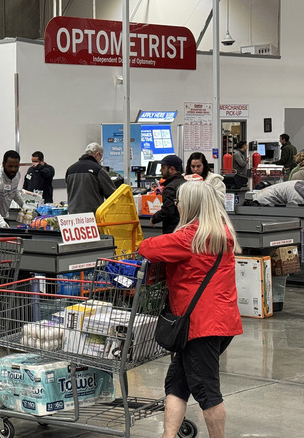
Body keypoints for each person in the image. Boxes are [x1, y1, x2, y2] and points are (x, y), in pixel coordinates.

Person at [138, 181, 242, 438]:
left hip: (199, 325)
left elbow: (146, 248)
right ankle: (168, 435)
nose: (177, 204)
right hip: (221, 321)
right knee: (177, 383)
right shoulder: (222, 234)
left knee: (207, 391)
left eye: (180, 201)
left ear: (192, 205)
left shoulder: (189, 238)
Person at [65, 142, 116, 214]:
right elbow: (111, 194)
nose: (99, 161)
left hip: (73, 214)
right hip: (92, 215)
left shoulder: (70, 169)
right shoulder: (98, 169)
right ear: (97, 154)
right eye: (100, 158)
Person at [151, 154, 186, 234]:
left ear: (171, 169)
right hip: (185, 229)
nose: (161, 170)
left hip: (172, 230)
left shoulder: (170, 188)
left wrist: (154, 218)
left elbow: (167, 210)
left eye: (163, 167)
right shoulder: (186, 183)